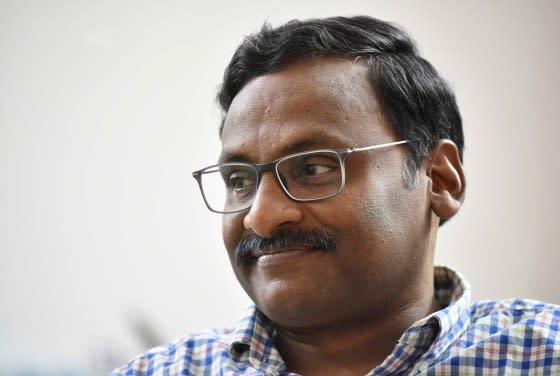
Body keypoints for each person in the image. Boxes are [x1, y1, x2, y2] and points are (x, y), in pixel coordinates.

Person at [111, 16, 560, 375]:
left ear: (439, 180)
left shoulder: (544, 354)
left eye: (313, 168)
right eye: (240, 180)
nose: (261, 218)